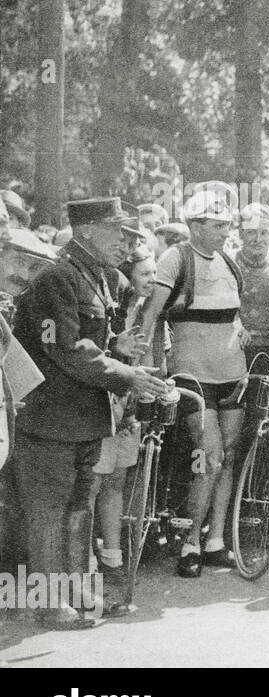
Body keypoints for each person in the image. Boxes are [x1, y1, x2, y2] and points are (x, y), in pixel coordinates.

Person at [11, 197, 168, 629]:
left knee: (81, 503)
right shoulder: (57, 276)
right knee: (49, 508)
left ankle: (75, 585)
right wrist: (127, 374)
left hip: (83, 414)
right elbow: (67, 348)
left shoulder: (96, 277)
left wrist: (118, 348)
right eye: (118, 232)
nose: (127, 242)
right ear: (86, 232)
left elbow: (94, 338)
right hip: (50, 415)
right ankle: (49, 601)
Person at [138, 188, 246, 578]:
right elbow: (151, 314)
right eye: (217, 226)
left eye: (227, 225)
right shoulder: (176, 257)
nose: (224, 232)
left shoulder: (230, 262)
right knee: (209, 457)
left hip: (233, 374)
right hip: (192, 377)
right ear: (195, 226)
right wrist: (147, 369)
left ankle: (217, 539)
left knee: (227, 456)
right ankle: (190, 542)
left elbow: (232, 313)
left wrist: (240, 329)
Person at [89, 241, 156, 590]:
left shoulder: (146, 310)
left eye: (155, 272)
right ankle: (85, 559)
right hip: (103, 402)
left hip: (128, 406)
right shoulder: (112, 306)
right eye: (144, 273)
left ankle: (113, 555)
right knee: (94, 481)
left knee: (117, 478)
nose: (151, 280)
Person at [235, 203, 269, 370]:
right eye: (251, 233)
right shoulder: (229, 264)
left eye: (264, 233)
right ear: (241, 234)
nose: (257, 239)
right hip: (237, 348)